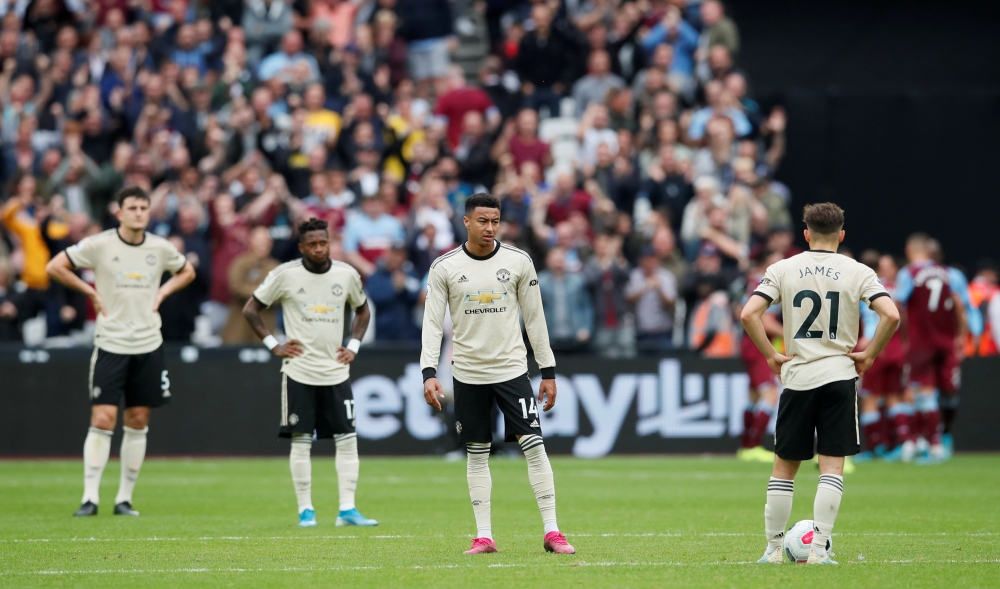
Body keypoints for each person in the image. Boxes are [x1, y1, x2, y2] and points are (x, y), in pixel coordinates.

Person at [741, 203, 899, 565]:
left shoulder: (783, 268)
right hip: (839, 375)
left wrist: (770, 355)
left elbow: (749, 313)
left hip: (798, 377)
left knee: (784, 468)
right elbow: (890, 314)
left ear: (806, 233)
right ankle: (818, 550)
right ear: (842, 235)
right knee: (831, 467)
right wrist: (870, 353)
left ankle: (773, 550)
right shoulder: (858, 271)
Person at [420, 192, 574, 555]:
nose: (490, 228)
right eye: (483, 221)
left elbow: (536, 320)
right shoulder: (444, 267)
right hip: (468, 373)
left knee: (534, 447)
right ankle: (484, 536)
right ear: (466, 222)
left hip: (511, 370)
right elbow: (431, 323)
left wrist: (547, 371)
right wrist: (428, 371)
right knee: (477, 453)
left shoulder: (519, 261)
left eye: (495, 221)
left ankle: (552, 532)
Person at [45, 186, 196, 517]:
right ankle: (90, 498)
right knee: (102, 417)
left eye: (144, 207)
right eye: (133, 207)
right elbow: (55, 266)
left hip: (148, 343)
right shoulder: (100, 244)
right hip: (111, 342)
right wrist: (91, 293)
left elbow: (187, 271)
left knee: (138, 419)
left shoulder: (160, 247)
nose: (139, 213)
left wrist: (162, 293)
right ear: (120, 212)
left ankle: (124, 498)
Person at [242, 218, 378, 528]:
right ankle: (306, 510)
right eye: (313, 244)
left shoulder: (346, 275)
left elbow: (363, 309)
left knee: (347, 439)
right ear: (302, 247)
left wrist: (353, 345)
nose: (319, 248)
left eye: (324, 243)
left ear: (330, 242)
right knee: (301, 441)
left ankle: (347, 509)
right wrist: (273, 344)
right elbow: (251, 308)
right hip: (299, 371)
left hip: (336, 372)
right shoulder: (284, 275)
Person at [888, 234, 967, 463]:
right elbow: (959, 304)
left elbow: (898, 304)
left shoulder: (909, 273)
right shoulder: (947, 273)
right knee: (947, 390)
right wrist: (961, 335)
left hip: (921, 340)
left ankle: (931, 444)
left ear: (910, 251)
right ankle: (933, 440)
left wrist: (900, 336)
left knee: (922, 391)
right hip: (947, 340)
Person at [856, 254, 906, 462]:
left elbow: (870, 318)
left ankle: (876, 448)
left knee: (869, 399)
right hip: (896, 347)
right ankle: (905, 443)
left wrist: (866, 341)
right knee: (894, 396)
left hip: (876, 346)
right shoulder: (896, 289)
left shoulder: (867, 287)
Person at [737, 250, 784, 462]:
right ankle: (754, 446)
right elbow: (765, 321)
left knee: (754, 396)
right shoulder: (765, 283)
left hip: (750, 342)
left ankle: (746, 447)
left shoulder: (756, 281)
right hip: (758, 344)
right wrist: (792, 335)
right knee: (770, 395)